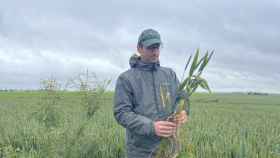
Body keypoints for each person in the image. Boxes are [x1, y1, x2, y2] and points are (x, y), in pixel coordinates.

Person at [114, 28, 188, 158]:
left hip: (169, 147)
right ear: (139, 48)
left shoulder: (169, 74)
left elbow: (182, 98)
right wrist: (151, 127)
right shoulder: (126, 79)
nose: (155, 52)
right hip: (140, 151)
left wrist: (183, 112)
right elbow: (121, 113)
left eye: (157, 47)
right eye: (150, 48)